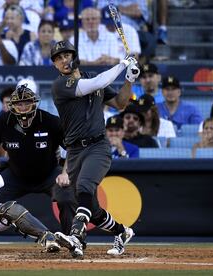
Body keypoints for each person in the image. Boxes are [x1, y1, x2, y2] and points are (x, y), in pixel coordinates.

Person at [50, 40, 139, 258]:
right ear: (54, 64)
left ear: (75, 57)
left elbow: (119, 103)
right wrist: (121, 65)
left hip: (98, 145)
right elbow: (94, 84)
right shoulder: (61, 85)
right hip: (74, 150)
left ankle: (76, 237)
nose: (63, 60)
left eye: (66, 55)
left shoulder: (91, 78)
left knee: (84, 187)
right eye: (58, 58)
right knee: (94, 209)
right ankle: (122, 232)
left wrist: (129, 79)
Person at [0, 84, 76, 235]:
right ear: (12, 105)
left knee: (67, 196)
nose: (23, 107)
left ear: (34, 102)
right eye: (19, 104)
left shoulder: (50, 121)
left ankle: (72, 238)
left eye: (27, 102)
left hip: (49, 173)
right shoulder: (2, 122)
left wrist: (66, 173)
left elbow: (72, 147)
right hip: (15, 175)